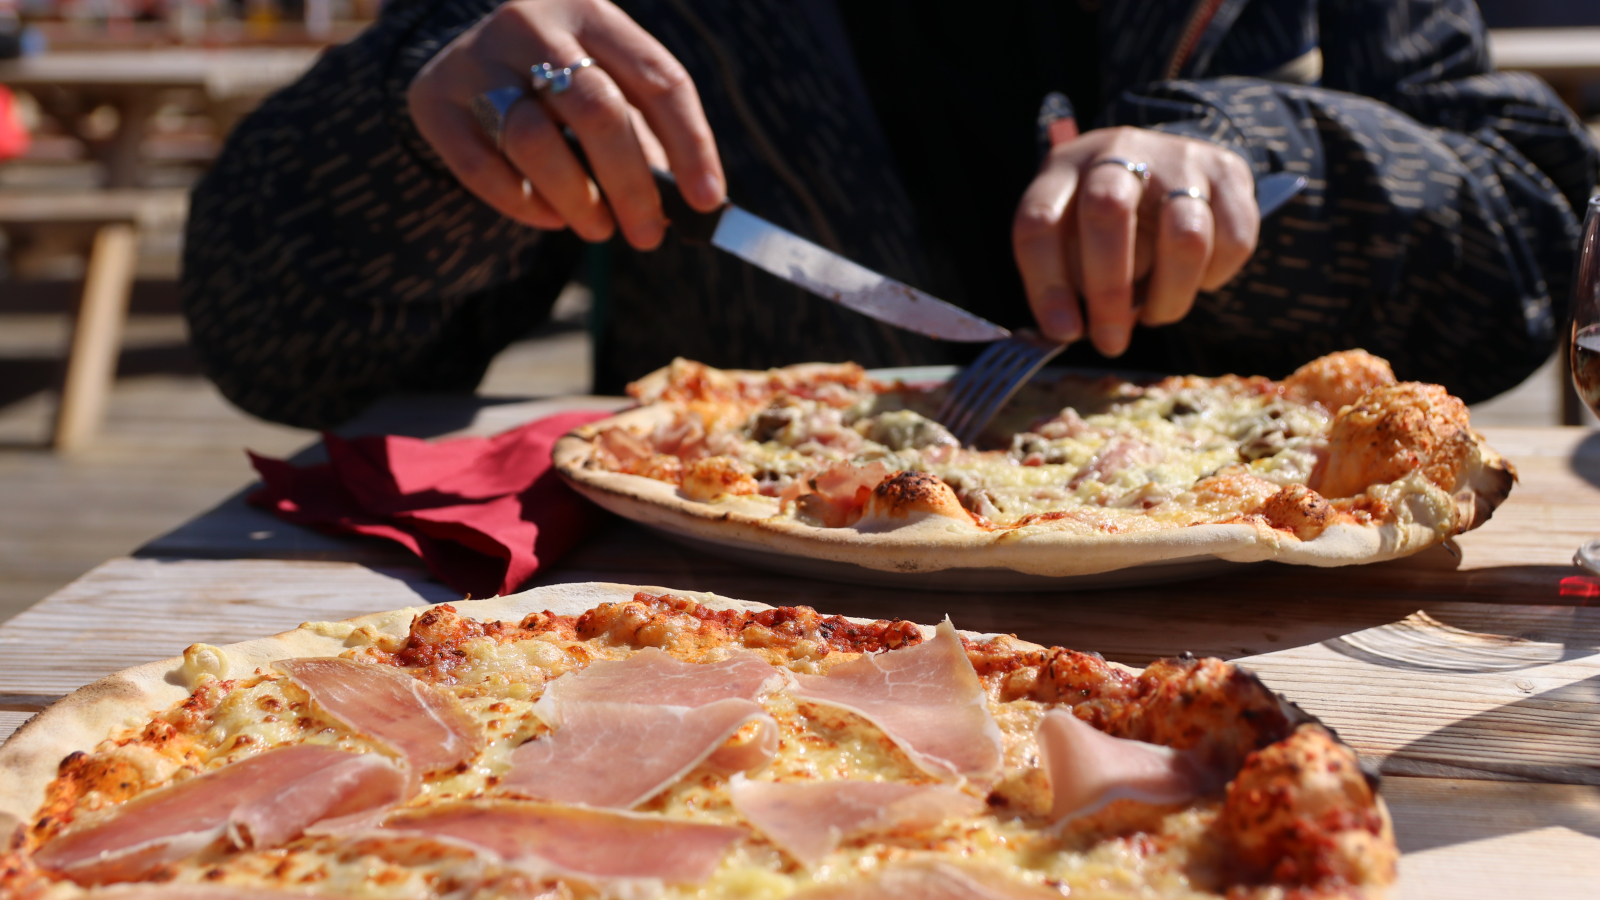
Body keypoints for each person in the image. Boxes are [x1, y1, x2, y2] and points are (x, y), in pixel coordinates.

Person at [181, 0, 1597, 429]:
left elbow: (1522, 245)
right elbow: (274, 341)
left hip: (1288, 659)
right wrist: (424, 134)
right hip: (735, 664)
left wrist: (1259, 162)